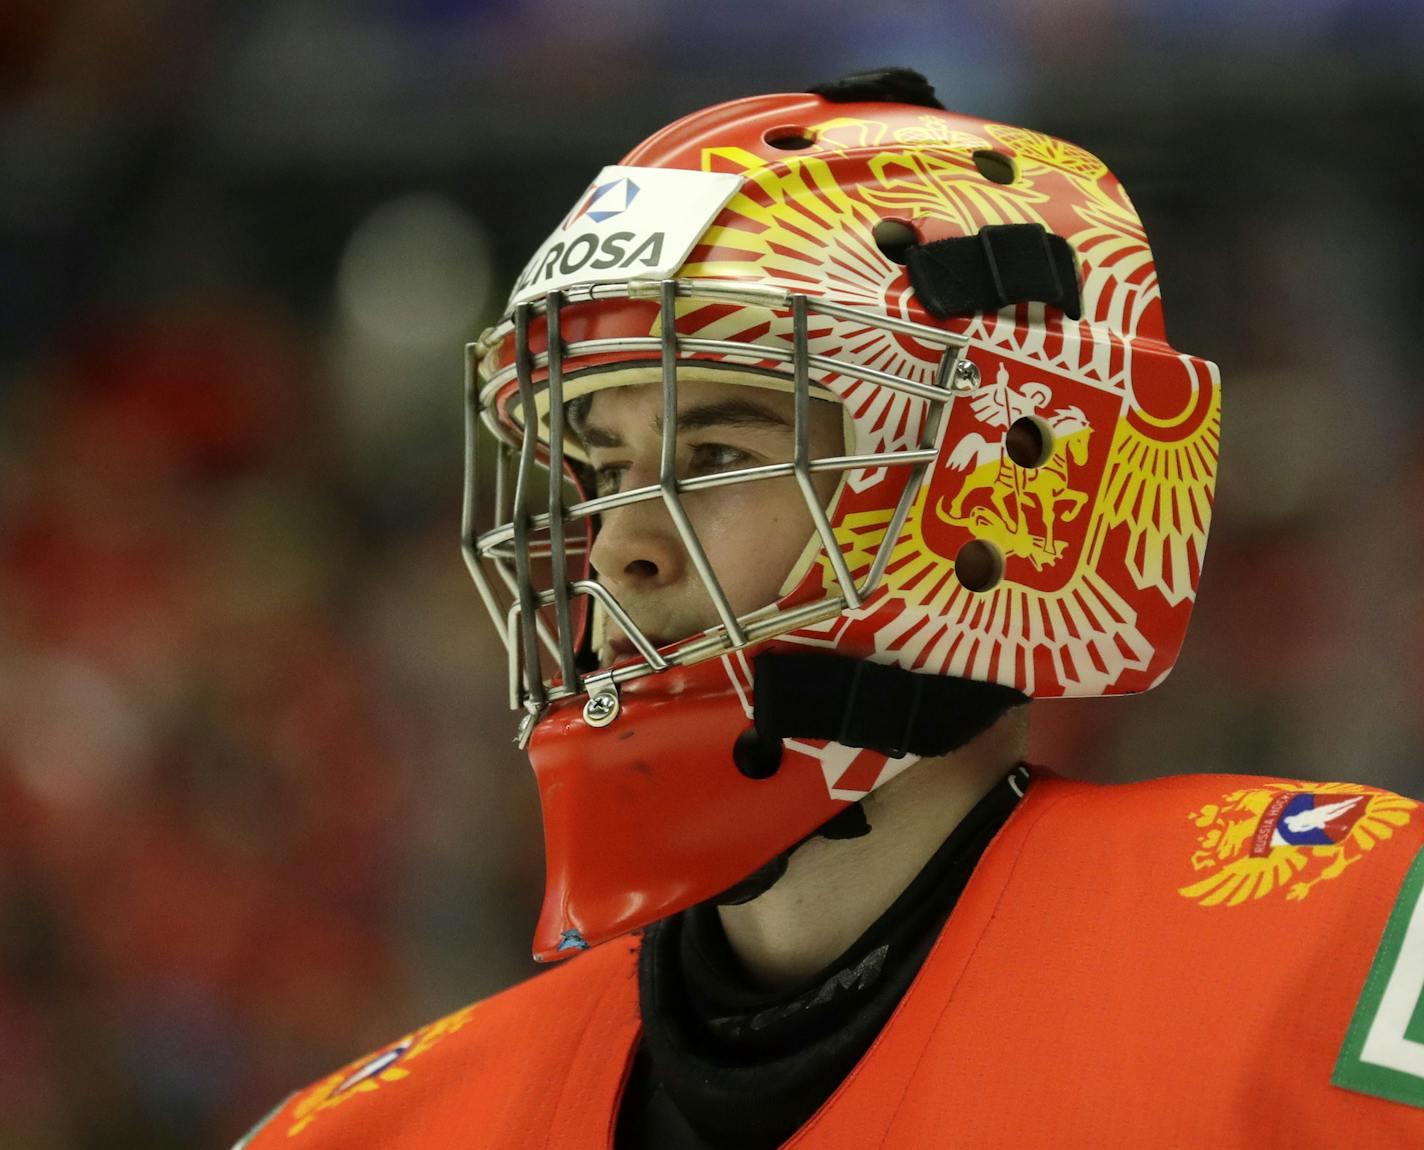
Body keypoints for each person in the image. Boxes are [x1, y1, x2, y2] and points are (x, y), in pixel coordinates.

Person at [236, 68, 1424, 1148]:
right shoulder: (366, 1133)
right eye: (600, 468)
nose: (618, 547)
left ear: (996, 487)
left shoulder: (1340, 949)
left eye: (713, 451)